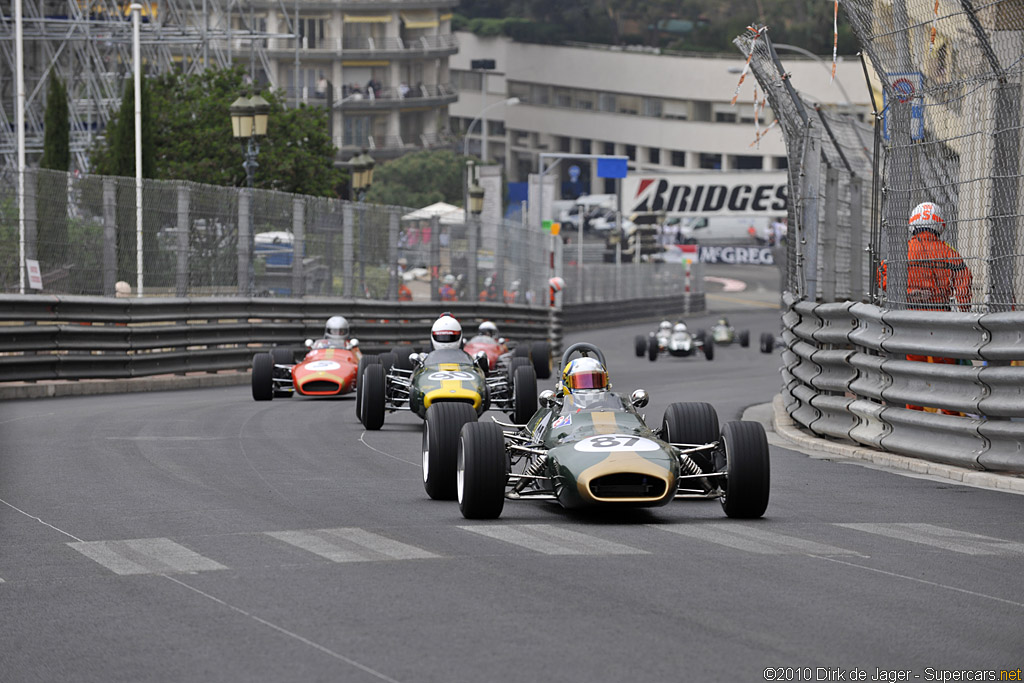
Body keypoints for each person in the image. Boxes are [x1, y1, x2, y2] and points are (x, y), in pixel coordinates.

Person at [879, 201, 973, 414]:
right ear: (940, 225)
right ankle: (950, 417)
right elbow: (964, 283)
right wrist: (964, 312)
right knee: (946, 372)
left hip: (910, 319)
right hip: (942, 319)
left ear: (913, 224)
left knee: (914, 372)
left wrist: (906, 293)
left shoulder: (903, 251)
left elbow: (883, 275)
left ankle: (914, 416)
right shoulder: (949, 252)